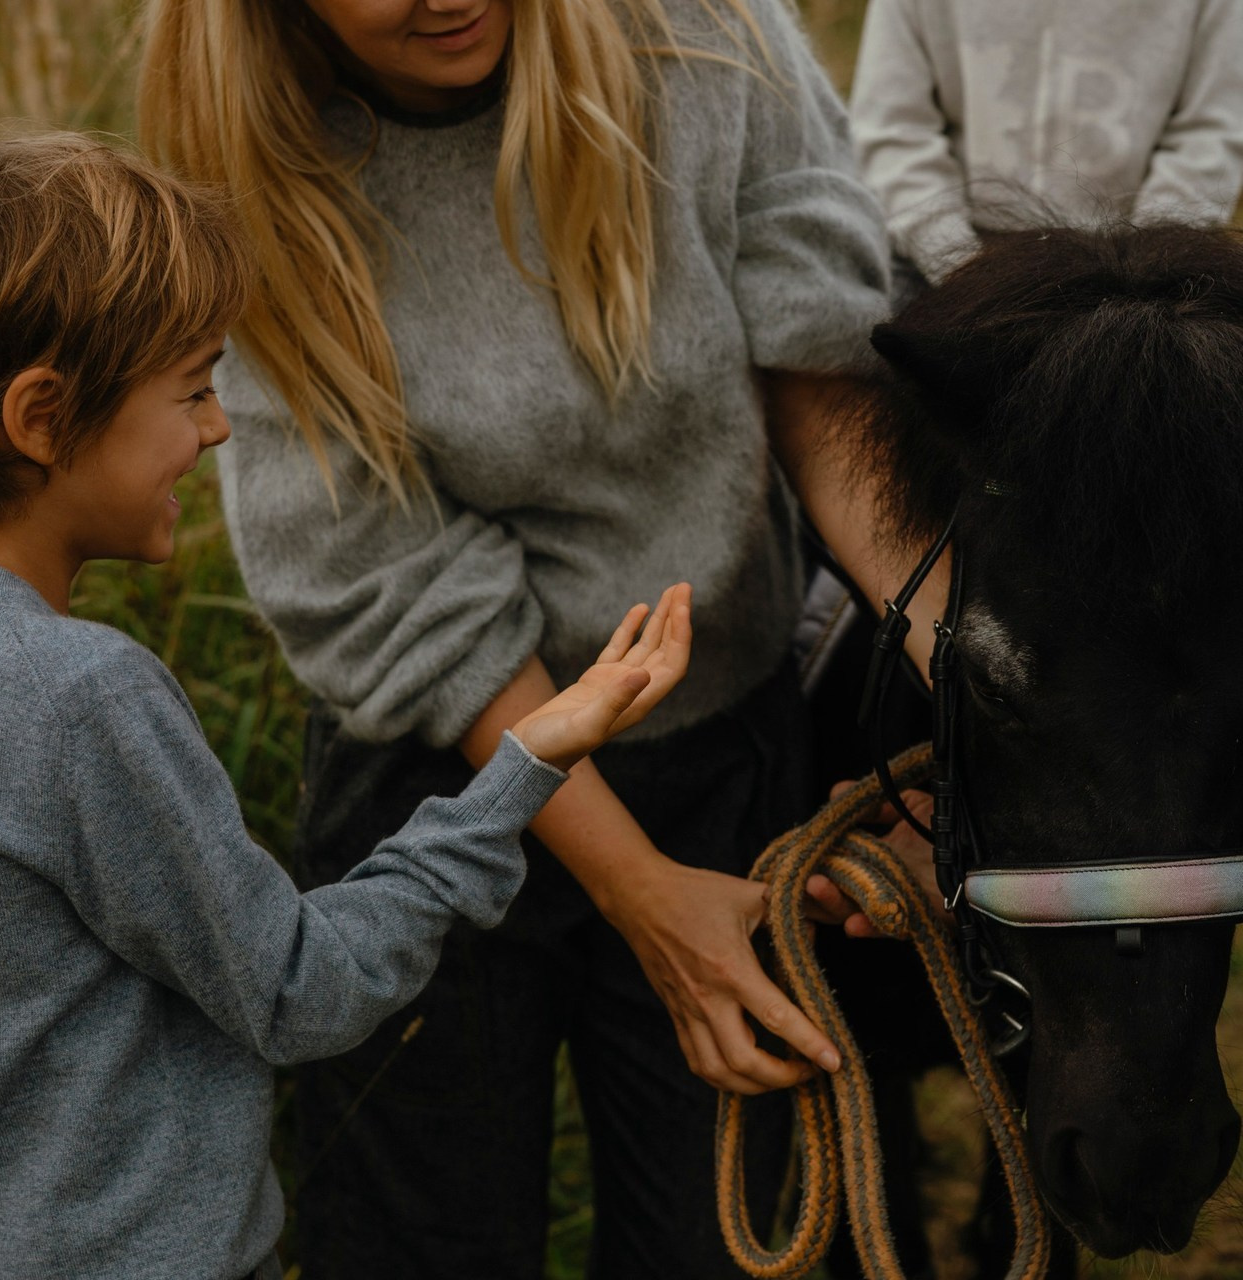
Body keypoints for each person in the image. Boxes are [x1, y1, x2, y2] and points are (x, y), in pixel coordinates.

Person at [138, 0, 933, 1275]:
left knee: (734, 1241)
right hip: (433, 784)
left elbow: (821, 356)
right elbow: (385, 577)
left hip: (724, 751)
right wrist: (639, 892)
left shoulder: (702, 34)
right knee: (423, 1245)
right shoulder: (242, 167)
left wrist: (962, 679)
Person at [0, 131, 694, 1280]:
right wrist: (522, 764)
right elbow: (299, 987)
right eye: (195, 388)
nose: (215, 429)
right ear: (41, 416)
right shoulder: (75, 699)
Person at [850, 0, 1243, 288]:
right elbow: (893, 130)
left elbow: (1210, 135)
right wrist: (957, 267)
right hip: (947, 268)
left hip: (1138, 276)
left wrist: (1143, 273)